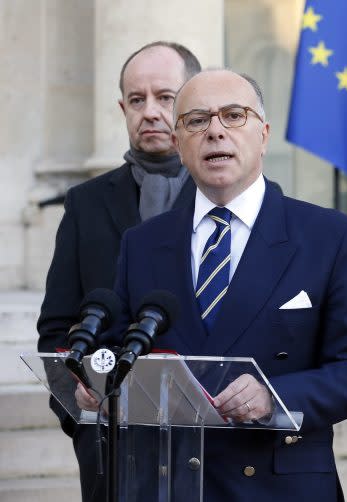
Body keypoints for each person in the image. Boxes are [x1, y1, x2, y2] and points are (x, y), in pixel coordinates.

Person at [75, 69, 347, 501]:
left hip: (277, 485)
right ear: (179, 144)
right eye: (197, 121)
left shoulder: (331, 237)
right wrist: (96, 383)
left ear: (264, 135)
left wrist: (273, 396)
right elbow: (119, 350)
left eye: (233, 116)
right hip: (169, 483)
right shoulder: (143, 243)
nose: (215, 131)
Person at [37, 41, 202, 501]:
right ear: (122, 107)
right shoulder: (85, 203)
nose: (150, 112)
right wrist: (83, 417)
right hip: (112, 447)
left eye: (165, 98)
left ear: (194, 103)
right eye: (136, 99)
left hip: (215, 446)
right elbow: (55, 330)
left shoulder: (230, 200)